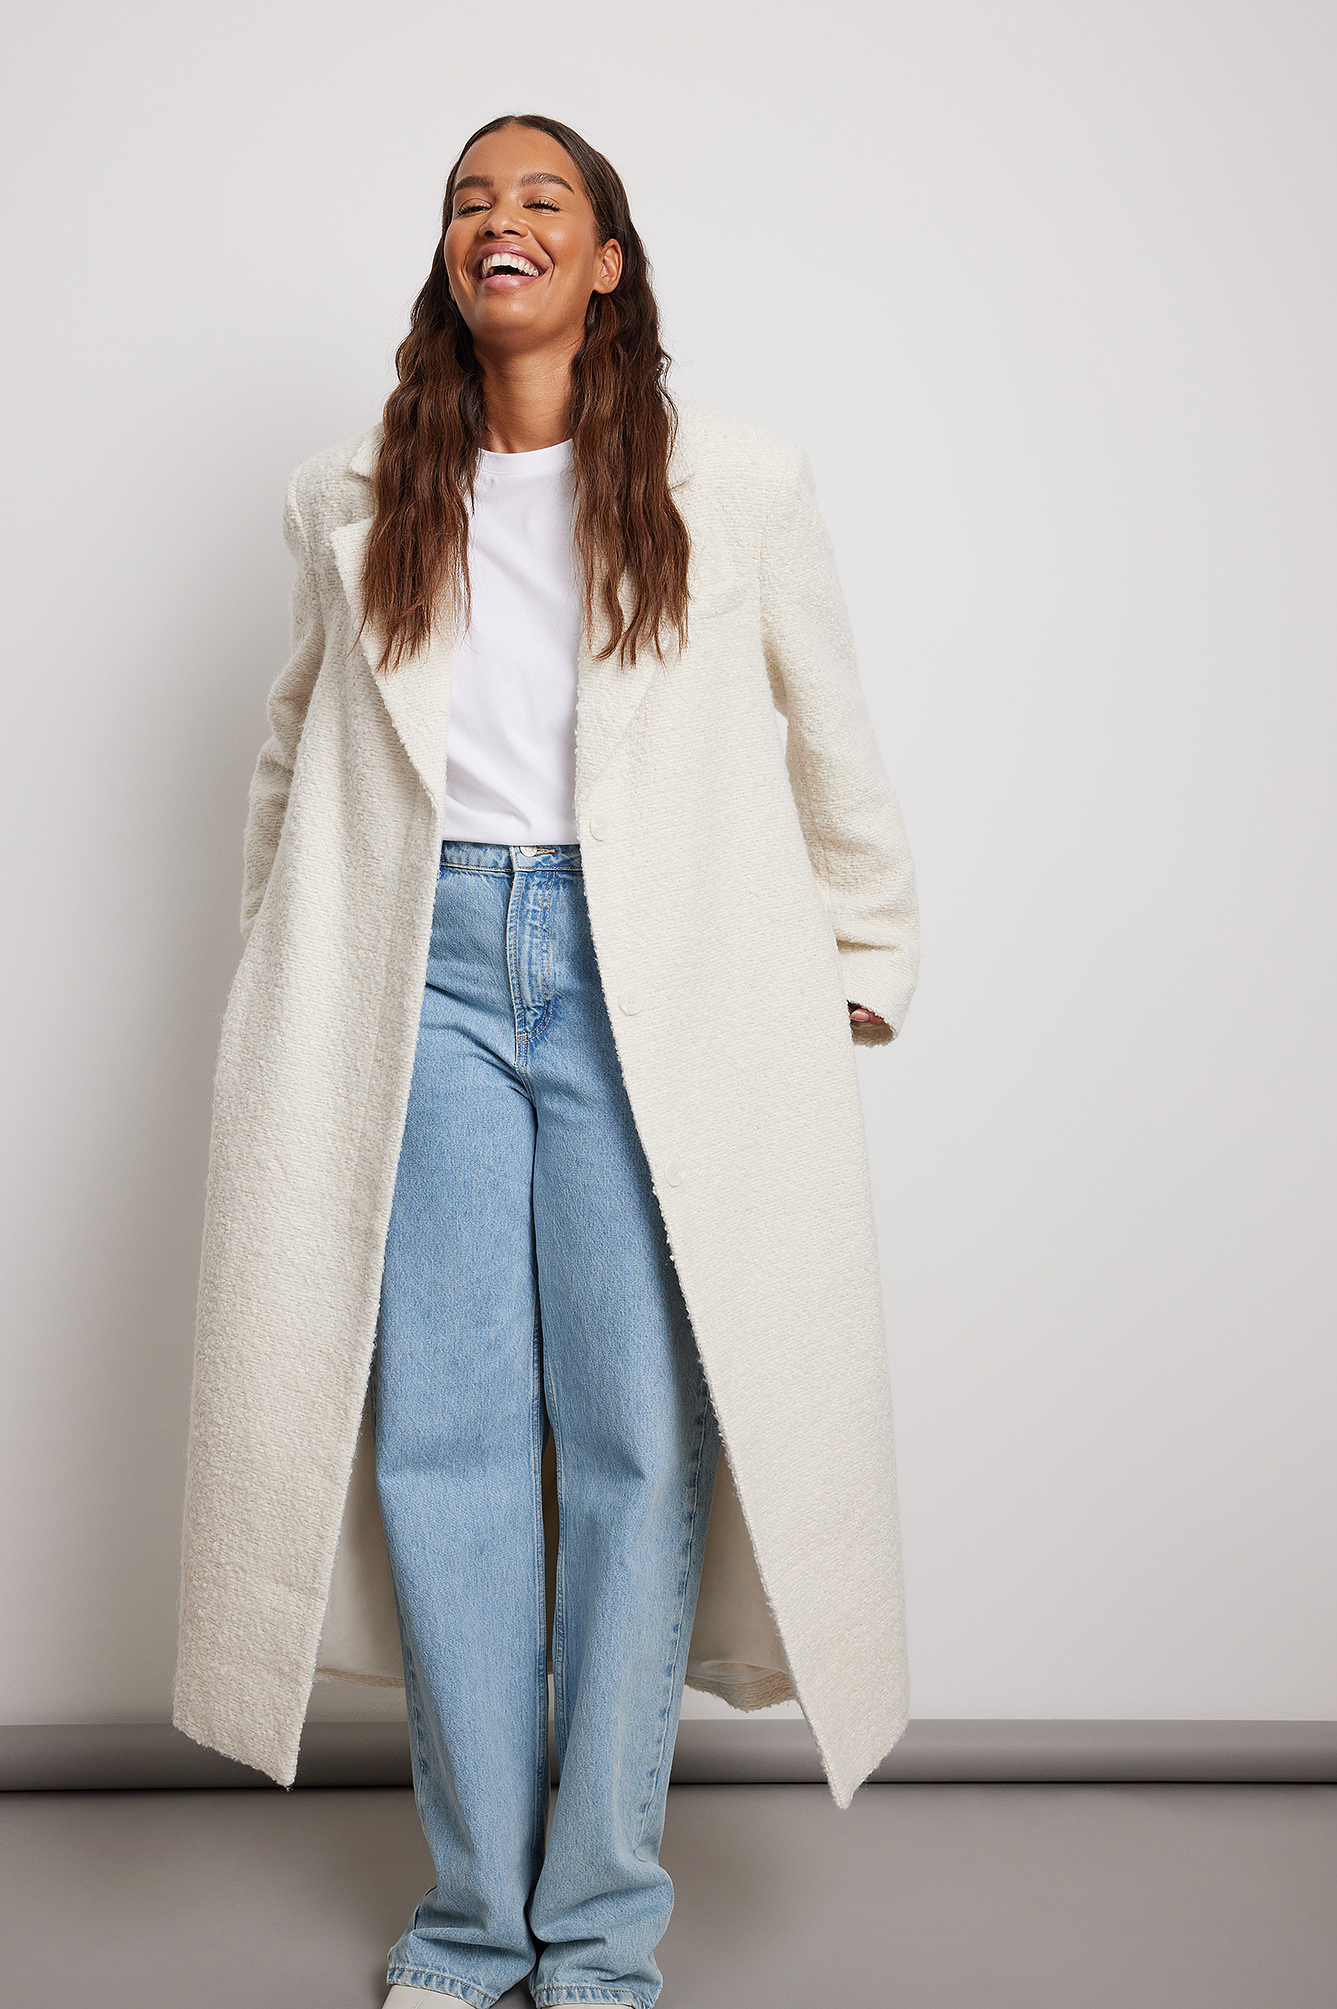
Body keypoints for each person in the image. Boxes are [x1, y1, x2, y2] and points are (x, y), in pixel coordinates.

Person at [173, 112, 920, 2009]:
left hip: (641, 970)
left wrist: (864, 948)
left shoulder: (732, 482)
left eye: (541, 200)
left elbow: (826, 727)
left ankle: (595, 1928)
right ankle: (467, 1920)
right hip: (416, 970)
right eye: (468, 201)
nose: (496, 221)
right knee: (441, 1441)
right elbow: (293, 749)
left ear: (605, 260)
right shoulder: (350, 493)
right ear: (449, 258)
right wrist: (281, 963)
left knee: (635, 1436)